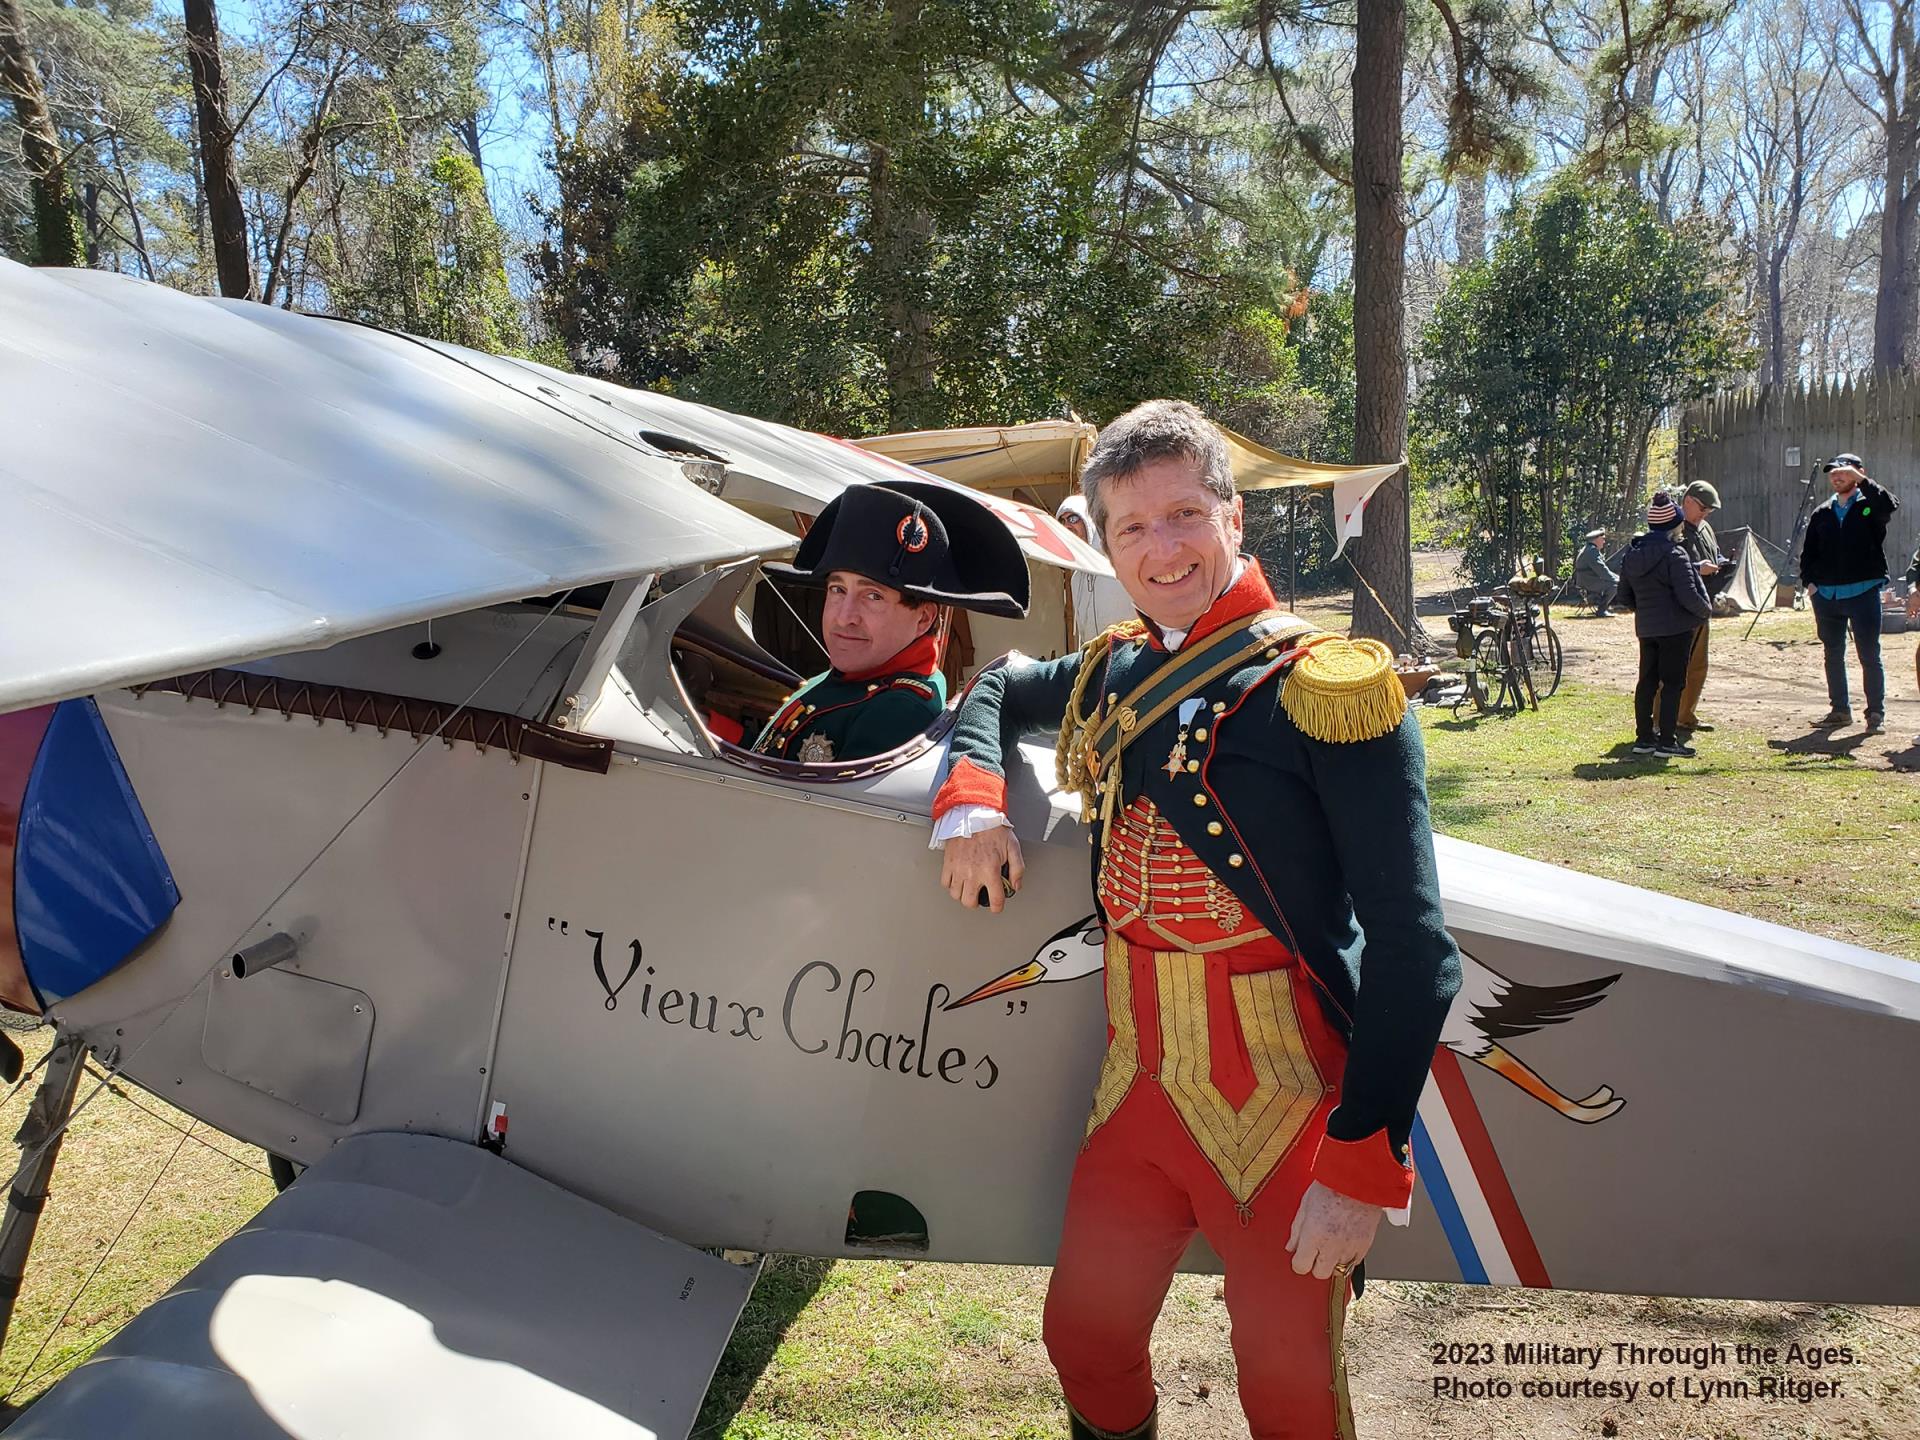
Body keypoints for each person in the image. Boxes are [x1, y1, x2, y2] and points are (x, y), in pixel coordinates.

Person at [931, 399, 1460, 1440]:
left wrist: (1360, 1166)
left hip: (1288, 1101)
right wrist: (971, 798)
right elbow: (993, 688)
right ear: (1104, 544)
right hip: (1139, 1089)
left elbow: (1415, 949)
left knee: (1289, 1386)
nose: (1162, 548)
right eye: (1132, 526)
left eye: (1184, 515)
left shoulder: (1325, 690)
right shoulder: (1113, 669)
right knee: (1082, 1341)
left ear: (1234, 521)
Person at [751, 481, 1028, 761]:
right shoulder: (844, 677)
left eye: (873, 596)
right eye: (838, 589)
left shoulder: (898, 709)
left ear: (923, 618)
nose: (845, 617)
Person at [1798, 453, 1901, 732]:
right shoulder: (1822, 512)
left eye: (1843, 472)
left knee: (1869, 654)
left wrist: (1863, 481)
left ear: (1859, 473)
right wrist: (1810, 585)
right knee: (1833, 654)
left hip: (1863, 592)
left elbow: (1890, 505)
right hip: (1826, 596)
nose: (1837, 477)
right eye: (1832, 473)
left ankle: (1875, 714)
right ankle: (1840, 710)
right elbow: (1808, 554)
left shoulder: (1871, 505)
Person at [1613, 493, 1711, 759]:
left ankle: (1644, 738)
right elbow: (1689, 595)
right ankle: (1667, 741)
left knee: (1647, 682)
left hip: (1647, 628)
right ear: (1674, 526)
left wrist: (1644, 611)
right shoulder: (1675, 554)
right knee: (1672, 684)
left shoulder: (1632, 554)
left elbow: (1623, 596)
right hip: (1676, 629)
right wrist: (1705, 612)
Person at [1674, 481, 1723, 733]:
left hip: (1702, 606)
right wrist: (1696, 569)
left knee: (1698, 666)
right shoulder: (1673, 529)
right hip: (1679, 610)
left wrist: (1721, 564)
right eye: (1703, 508)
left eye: (1709, 512)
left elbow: (1713, 555)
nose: (1705, 515)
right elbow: (1668, 566)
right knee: (1672, 667)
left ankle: (1686, 715)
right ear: (1688, 502)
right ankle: (1662, 719)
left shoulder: (1705, 529)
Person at [1575, 528, 1619, 614]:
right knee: (1615, 585)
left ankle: (1601, 606)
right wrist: (1617, 579)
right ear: (1597, 540)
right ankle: (1602, 610)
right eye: (1602, 539)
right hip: (1588, 581)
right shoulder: (1592, 551)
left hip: (1587, 579)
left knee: (1615, 582)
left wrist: (1616, 577)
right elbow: (1602, 571)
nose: (1604, 542)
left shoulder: (1589, 549)